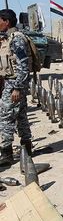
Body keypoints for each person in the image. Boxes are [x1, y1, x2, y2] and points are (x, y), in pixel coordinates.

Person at [0, 9, 32, 165]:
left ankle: (6, 154)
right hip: (13, 84)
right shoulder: (9, 38)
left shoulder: (16, 39)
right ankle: (27, 148)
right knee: (21, 116)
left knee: (6, 118)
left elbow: (23, 65)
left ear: (6, 21)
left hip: (14, 85)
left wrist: (17, 88)